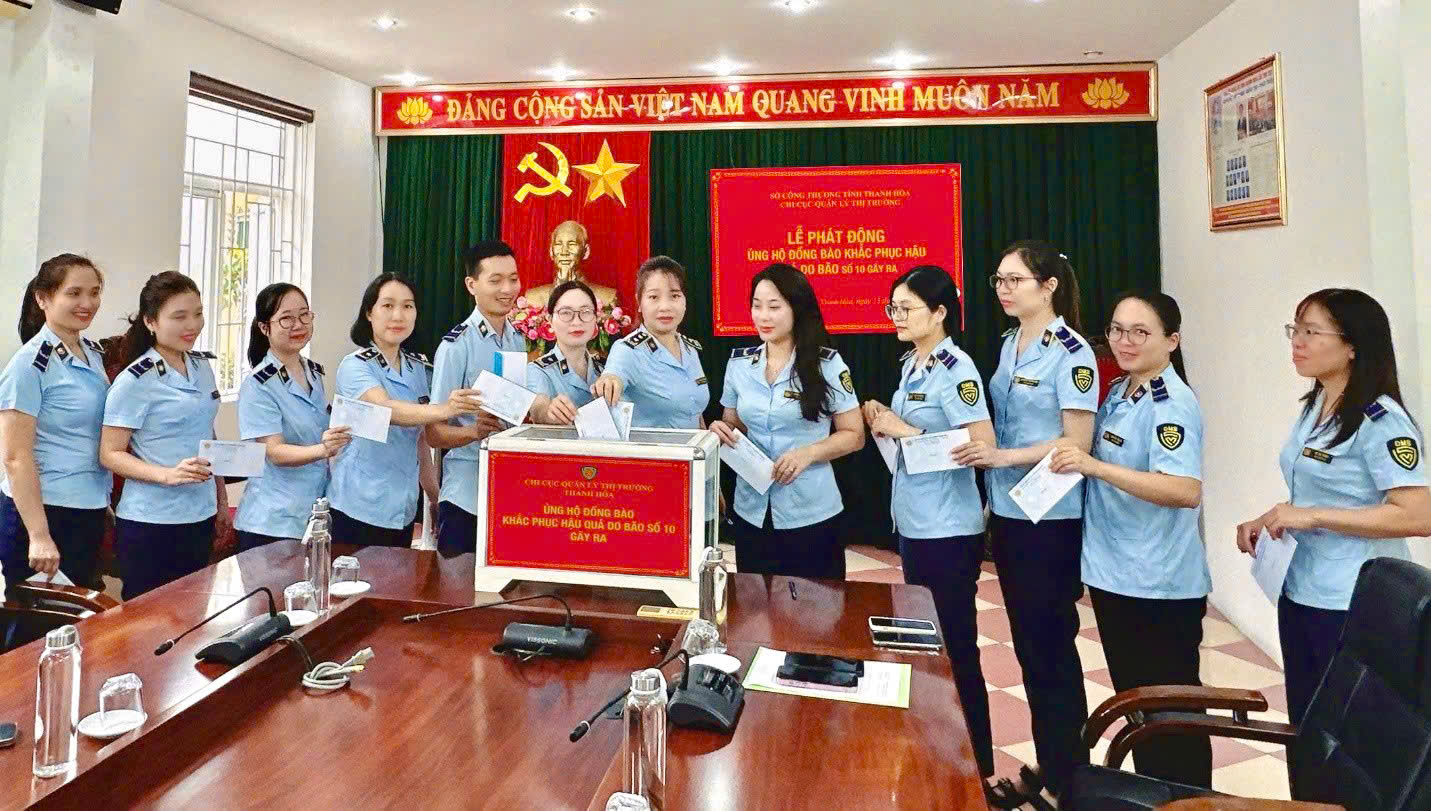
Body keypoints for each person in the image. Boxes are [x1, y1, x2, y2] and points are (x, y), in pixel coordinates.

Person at [1236, 288, 1431, 724]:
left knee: (1345, 728)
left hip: (1350, 598)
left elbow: (1418, 515)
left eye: (1312, 332)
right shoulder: (1318, 403)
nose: (1297, 342)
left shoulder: (1382, 419)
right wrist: (1270, 517)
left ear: (1352, 346)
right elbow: (1318, 492)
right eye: (1295, 329)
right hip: (1300, 586)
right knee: (1306, 722)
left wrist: (1310, 516)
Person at [1049, 292, 1213, 788]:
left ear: (1172, 340)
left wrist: (1095, 467)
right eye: (1117, 330)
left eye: (1140, 332)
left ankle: (1186, 801)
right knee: (1140, 711)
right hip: (1116, 575)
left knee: (1171, 718)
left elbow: (1183, 490)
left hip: (1157, 584)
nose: (1125, 341)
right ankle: (1152, 796)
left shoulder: (1172, 404)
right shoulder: (1122, 390)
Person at [953, 240, 1096, 801]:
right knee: (1030, 647)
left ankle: (1072, 778)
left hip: (1050, 517)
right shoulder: (1010, 342)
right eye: (999, 280)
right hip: (1012, 511)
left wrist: (1001, 457)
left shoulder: (1073, 353)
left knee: (1052, 648)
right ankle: (1052, 765)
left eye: (1015, 279)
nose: (1004, 289)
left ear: (1049, 285)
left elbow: (1076, 442)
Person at [859, 265, 996, 781]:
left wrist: (905, 430)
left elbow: (981, 444)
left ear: (939, 313)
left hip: (948, 529)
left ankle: (975, 771)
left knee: (955, 648)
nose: (897, 316)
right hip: (917, 523)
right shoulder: (913, 363)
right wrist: (888, 426)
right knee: (928, 646)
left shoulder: (956, 369)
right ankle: (938, 761)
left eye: (907, 308)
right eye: (892, 307)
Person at [708, 263, 864, 579]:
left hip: (811, 511)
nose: (763, 316)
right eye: (757, 306)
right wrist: (720, 430)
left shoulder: (827, 364)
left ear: (796, 309)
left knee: (816, 605)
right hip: (751, 509)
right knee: (755, 604)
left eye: (774, 307)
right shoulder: (739, 365)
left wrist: (808, 453)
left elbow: (854, 434)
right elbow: (734, 425)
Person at [330, 274, 482, 548]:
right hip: (357, 505)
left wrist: (434, 496)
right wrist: (446, 409)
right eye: (387, 306)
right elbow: (386, 409)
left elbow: (420, 441)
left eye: (408, 306)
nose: (398, 316)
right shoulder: (355, 365)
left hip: (401, 507)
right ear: (369, 313)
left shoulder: (418, 368)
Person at [100, 272, 227, 599]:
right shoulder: (135, 380)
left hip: (200, 514)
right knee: (150, 619)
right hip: (151, 523)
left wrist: (221, 500)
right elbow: (110, 453)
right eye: (179, 316)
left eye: (198, 313)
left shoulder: (201, 367)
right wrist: (167, 475)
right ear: (151, 321)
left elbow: (206, 432)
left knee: (194, 612)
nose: (192, 325)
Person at [0, 255, 110, 605]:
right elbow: (15, 457)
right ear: (43, 298)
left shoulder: (91, 353)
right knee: (37, 621)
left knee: (76, 617)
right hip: (44, 511)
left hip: (86, 507)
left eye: (94, 292)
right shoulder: (29, 365)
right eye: (74, 293)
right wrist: (39, 534)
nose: (87, 303)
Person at [232, 283, 351, 551]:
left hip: (312, 516)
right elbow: (274, 451)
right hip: (271, 522)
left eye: (304, 315)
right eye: (286, 319)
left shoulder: (313, 374)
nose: (298, 325)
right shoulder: (258, 385)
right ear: (265, 327)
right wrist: (324, 449)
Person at [427, 241, 525, 555]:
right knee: (456, 581)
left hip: (509, 493)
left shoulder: (518, 340)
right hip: (466, 496)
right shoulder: (457, 346)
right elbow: (433, 432)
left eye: (513, 279)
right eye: (496, 280)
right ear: (472, 285)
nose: (507, 289)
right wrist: (473, 431)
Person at [591, 256, 709, 429]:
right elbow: (613, 375)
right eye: (654, 297)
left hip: (694, 446)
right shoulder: (627, 350)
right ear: (639, 302)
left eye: (674, 296)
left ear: (685, 301)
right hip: (654, 447)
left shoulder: (690, 349)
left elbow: (695, 413)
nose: (665, 306)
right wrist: (608, 381)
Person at [528, 280, 603, 425]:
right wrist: (550, 412)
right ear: (550, 320)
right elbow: (538, 408)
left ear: (595, 318)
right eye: (566, 313)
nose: (577, 322)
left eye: (585, 312)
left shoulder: (605, 369)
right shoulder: (538, 370)